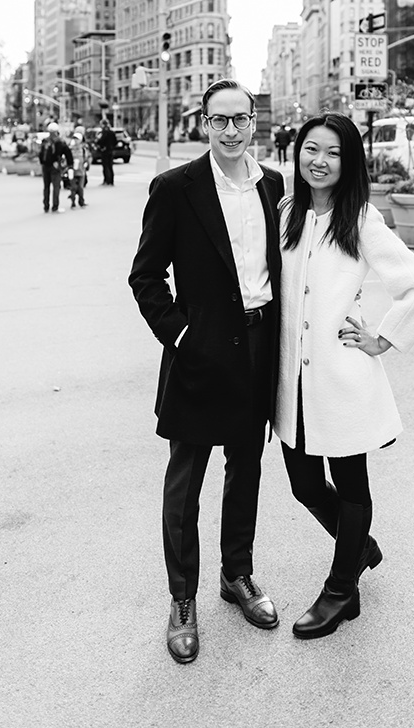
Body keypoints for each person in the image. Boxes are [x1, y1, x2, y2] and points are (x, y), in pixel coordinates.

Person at [128, 79, 285, 665]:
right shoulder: (176, 188)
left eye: (240, 119)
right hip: (198, 355)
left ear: (252, 123)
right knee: (185, 481)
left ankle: (236, 575)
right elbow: (145, 276)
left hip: (256, 347)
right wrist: (182, 335)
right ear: (203, 123)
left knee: (246, 469)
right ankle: (182, 599)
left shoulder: (274, 185)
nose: (230, 130)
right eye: (219, 121)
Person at [273, 113, 414, 640]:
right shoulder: (287, 212)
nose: (319, 161)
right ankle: (360, 545)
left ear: (349, 163)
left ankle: (342, 589)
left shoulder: (361, 219)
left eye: (333, 153)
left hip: (340, 377)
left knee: (349, 485)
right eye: (310, 150)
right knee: (303, 485)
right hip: (289, 381)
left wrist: (382, 339)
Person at [39, 123, 72, 213]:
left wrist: (43, 162)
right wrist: (70, 164)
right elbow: (67, 153)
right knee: (56, 187)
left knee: (46, 187)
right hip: (55, 166)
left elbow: (40, 154)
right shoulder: (60, 142)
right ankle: (55, 206)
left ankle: (46, 206)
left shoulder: (45, 141)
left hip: (45, 166)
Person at [68, 129, 88, 208]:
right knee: (73, 187)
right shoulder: (70, 149)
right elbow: (67, 158)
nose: (75, 141)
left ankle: (81, 202)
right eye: (74, 139)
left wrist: (86, 164)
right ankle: (73, 202)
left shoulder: (83, 149)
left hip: (81, 170)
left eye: (77, 139)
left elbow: (86, 158)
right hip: (72, 171)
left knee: (80, 187)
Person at [98, 120, 117, 185]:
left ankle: (107, 180)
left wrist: (101, 146)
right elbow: (115, 141)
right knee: (110, 166)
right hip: (111, 151)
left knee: (106, 166)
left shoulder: (103, 133)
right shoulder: (112, 132)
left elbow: (101, 141)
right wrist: (112, 147)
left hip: (105, 151)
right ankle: (111, 180)